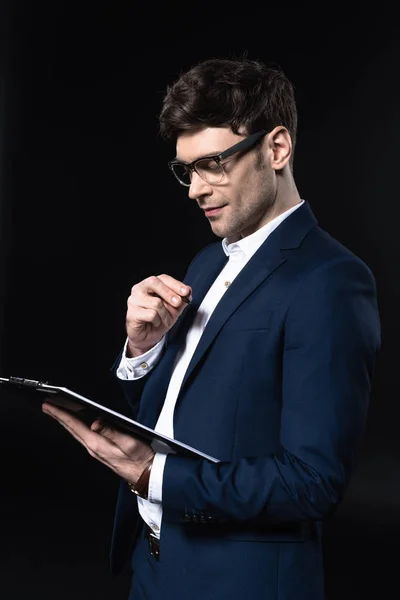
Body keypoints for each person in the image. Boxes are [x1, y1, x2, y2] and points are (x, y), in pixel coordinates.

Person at [42, 55, 381, 600]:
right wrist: (142, 350)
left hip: (235, 583)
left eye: (213, 163)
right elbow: (183, 409)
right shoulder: (207, 262)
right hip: (152, 564)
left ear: (276, 149)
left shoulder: (332, 281)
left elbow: (312, 484)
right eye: (186, 170)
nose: (195, 190)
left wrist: (152, 476)